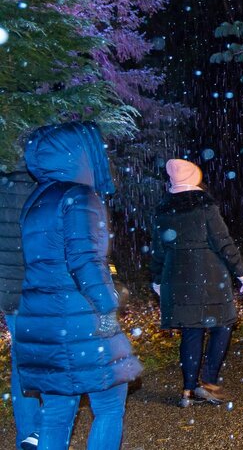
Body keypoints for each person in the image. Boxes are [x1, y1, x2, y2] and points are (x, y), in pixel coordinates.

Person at [13, 122, 141, 450]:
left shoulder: (37, 199)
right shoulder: (80, 196)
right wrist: (107, 306)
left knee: (56, 412)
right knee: (109, 405)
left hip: (43, 320)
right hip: (81, 319)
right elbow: (85, 261)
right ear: (78, 154)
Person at [150, 159, 243, 407]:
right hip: (209, 278)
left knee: (191, 332)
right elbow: (223, 242)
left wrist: (157, 279)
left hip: (177, 279)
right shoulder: (205, 208)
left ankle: (188, 389)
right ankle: (208, 382)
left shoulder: (163, 212)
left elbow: (158, 251)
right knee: (222, 326)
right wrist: (242, 272)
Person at [1, 163, 41, 450]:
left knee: (21, 359)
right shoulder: (45, 187)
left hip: (9, 291)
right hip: (41, 288)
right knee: (52, 356)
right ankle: (46, 428)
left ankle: (28, 431)